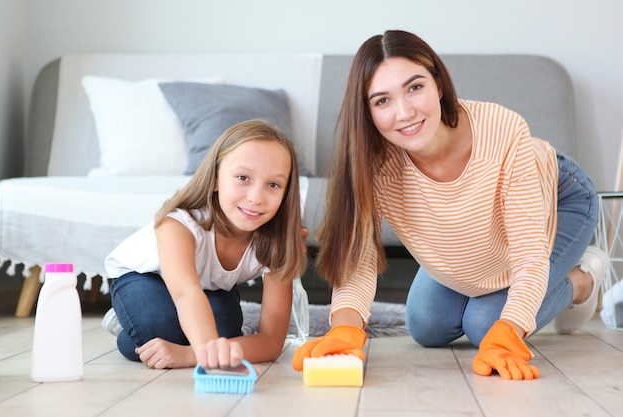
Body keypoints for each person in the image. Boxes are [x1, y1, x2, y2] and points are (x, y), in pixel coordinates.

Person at [292, 30, 607, 380]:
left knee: (485, 325)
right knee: (426, 325)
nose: (405, 112)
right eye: (382, 101)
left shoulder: (503, 129)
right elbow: (360, 258)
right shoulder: (375, 164)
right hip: (479, 235)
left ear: (438, 84)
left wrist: (510, 327)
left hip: (558, 199)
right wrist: (345, 327)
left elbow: (529, 252)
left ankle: (582, 280)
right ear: (366, 112)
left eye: (415, 87)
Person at [102, 119, 307, 370]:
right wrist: (207, 350)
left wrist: (192, 355)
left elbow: (271, 341)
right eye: (243, 177)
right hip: (144, 277)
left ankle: (163, 334)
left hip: (206, 287)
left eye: (273, 185)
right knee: (160, 327)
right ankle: (126, 323)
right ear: (215, 180)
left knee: (226, 337)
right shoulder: (178, 225)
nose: (256, 198)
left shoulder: (278, 241)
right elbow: (186, 293)